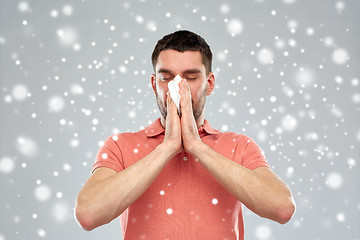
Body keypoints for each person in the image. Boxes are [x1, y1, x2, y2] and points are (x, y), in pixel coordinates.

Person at [75, 30, 296, 239]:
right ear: (154, 84)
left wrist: (196, 146)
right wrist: (168, 146)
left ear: (209, 84)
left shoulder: (239, 146)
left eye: (190, 77)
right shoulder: (120, 145)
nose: (177, 87)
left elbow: (282, 208)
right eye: (166, 77)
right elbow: (88, 215)